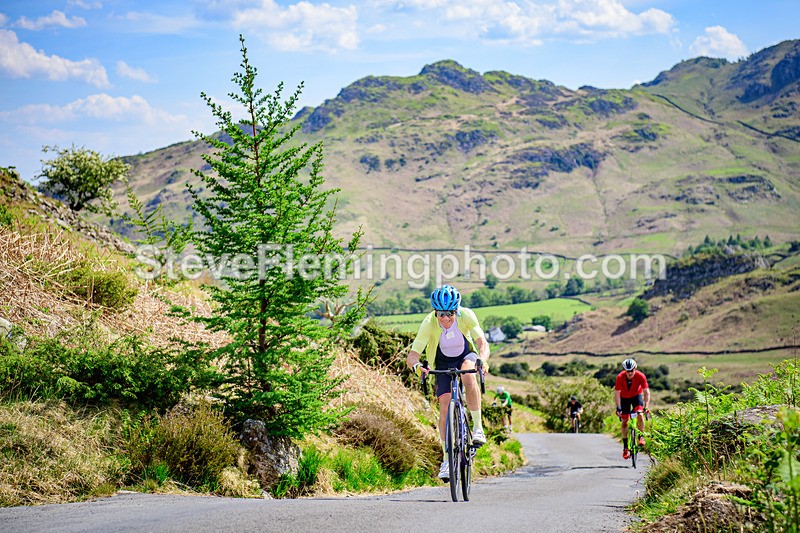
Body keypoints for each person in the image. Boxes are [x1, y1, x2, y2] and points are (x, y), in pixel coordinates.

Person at [406, 285, 490, 481]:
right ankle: (446, 460)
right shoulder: (428, 322)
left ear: (456, 311)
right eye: (441, 314)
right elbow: (412, 356)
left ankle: (477, 427)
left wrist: (483, 360)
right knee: (444, 406)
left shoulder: (466, 316)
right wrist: (418, 367)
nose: (445, 318)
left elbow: (482, 343)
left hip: (465, 355)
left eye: (450, 314)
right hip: (442, 362)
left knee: (469, 376)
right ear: (435, 312)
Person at [614, 358, 650, 459]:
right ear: (625, 370)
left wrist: (646, 406)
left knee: (640, 414)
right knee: (624, 422)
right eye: (628, 371)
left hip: (636, 397)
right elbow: (617, 393)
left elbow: (646, 393)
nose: (630, 373)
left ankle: (641, 436)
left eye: (632, 370)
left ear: (635, 368)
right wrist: (618, 407)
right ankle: (625, 448)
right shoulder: (620, 377)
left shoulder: (640, 376)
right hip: (624, 398)